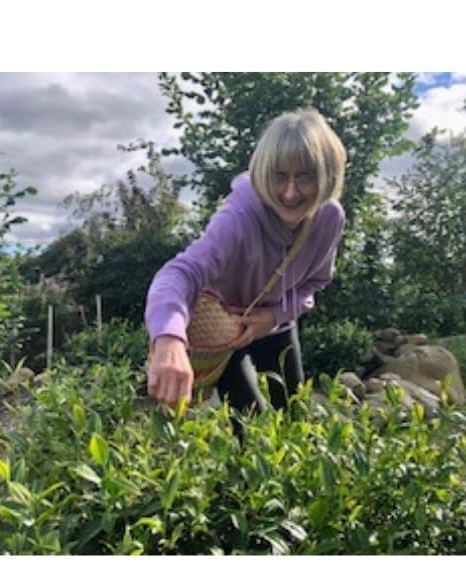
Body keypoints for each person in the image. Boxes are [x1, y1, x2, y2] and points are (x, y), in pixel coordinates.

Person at [146, 107, 347, 410]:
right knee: (247, 420)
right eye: (279, 176)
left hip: (276, 323)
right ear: (263, 173)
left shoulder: (329, 218)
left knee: (294, 412)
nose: (290, 193)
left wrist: (273, 317)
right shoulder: (238, 217)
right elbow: (179, 273)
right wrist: (169, 339)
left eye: (306, 177)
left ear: (327, 176)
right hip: (225, 329)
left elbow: (313, 284)